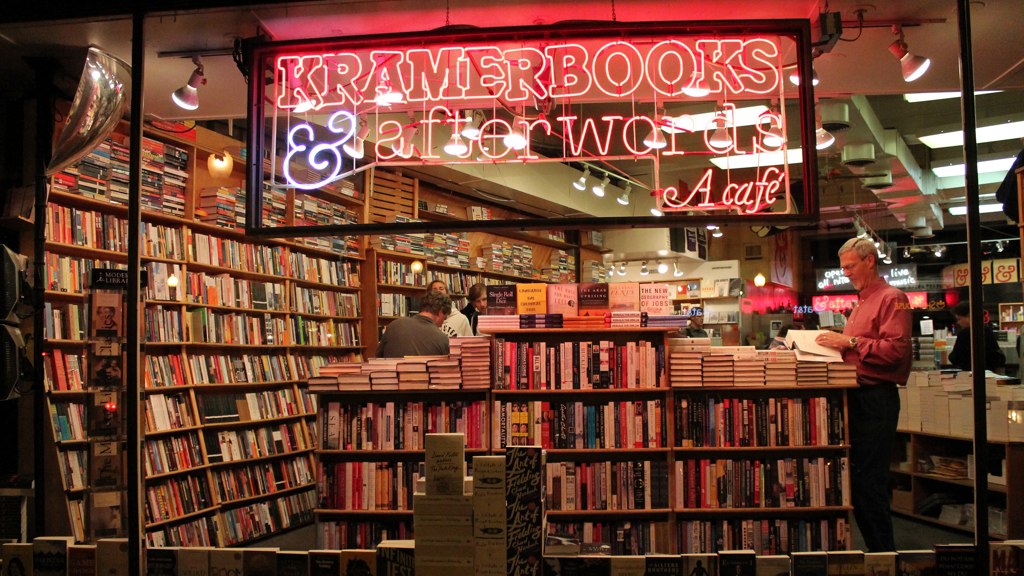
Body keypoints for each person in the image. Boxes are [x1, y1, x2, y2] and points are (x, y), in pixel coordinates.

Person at [814, 237, 911, 552]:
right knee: (859, 480)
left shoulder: (892, 298)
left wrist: (849, 342)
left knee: (870, 482)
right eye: (843, 267)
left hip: (875, 399)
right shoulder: (861, 302)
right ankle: (879, 553)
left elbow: (895, 352)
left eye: (850, 266)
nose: (845, 273)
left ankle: (884, 555)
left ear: (870, 261)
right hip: (857, 398)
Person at [376, 291, 452, 358]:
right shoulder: (442, 339)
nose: (442, 323)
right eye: (444, 318)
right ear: (440, 313)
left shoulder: (394, 325)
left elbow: (378, 358)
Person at [948, 301, 1006, 373]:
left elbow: (954, 358)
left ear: (969, 316)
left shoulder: (964, 333)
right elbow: (997, 355)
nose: (958, 322)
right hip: (989, 374)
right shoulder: (987, 331)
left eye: (959, 319)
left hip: (969, 374)